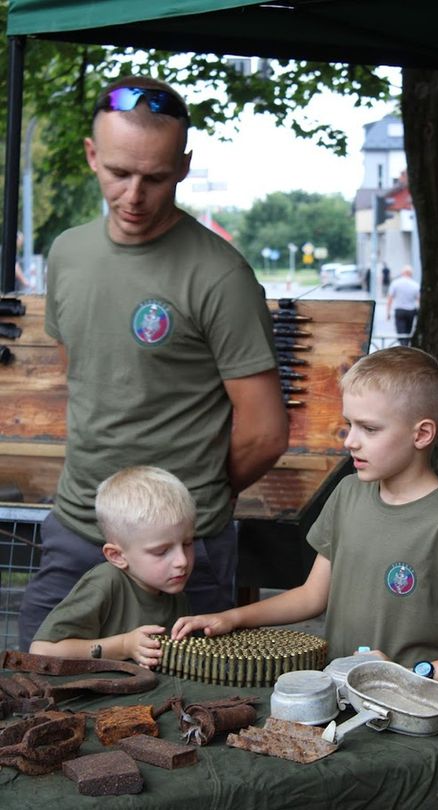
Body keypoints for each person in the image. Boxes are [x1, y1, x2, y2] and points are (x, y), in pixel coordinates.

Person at [18, 76, 289, 651]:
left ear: (184, 166)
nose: (134, 196)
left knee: (186, 715)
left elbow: (265, 433)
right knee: (33, 689)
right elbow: (83, 373)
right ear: (92, 155)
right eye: (119, 173)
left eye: (156, 177)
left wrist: (193, 500)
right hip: (79, 527)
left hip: (181, 551)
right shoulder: (68, 253)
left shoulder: (221, 276)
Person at [172, 347, 438, 697]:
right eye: (349, 425)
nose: (351, 441)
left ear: (421, 435)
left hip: (414, 712)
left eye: (369, 428)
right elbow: (312, 596)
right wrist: (232, 618)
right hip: (339, 697)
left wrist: (411, 675)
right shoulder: (347, 493)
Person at [29, 466, 195, 668]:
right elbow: (42, 650)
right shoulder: (105, 583)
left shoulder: (173, 589)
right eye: (161, 551)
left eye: (187, 543)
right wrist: (124, 645)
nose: (182, 561)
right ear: (117, 556)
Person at [386, 265, 420, 345]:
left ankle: (403, 346)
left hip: (399, 310)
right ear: (411, 273)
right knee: (408, 332)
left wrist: (388, 312)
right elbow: (418, 299)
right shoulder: (415, 284)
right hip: (411, 311)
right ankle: (406, 345)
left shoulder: (395, 283)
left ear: (402, 273)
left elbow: (390, 298)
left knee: (401, 332)